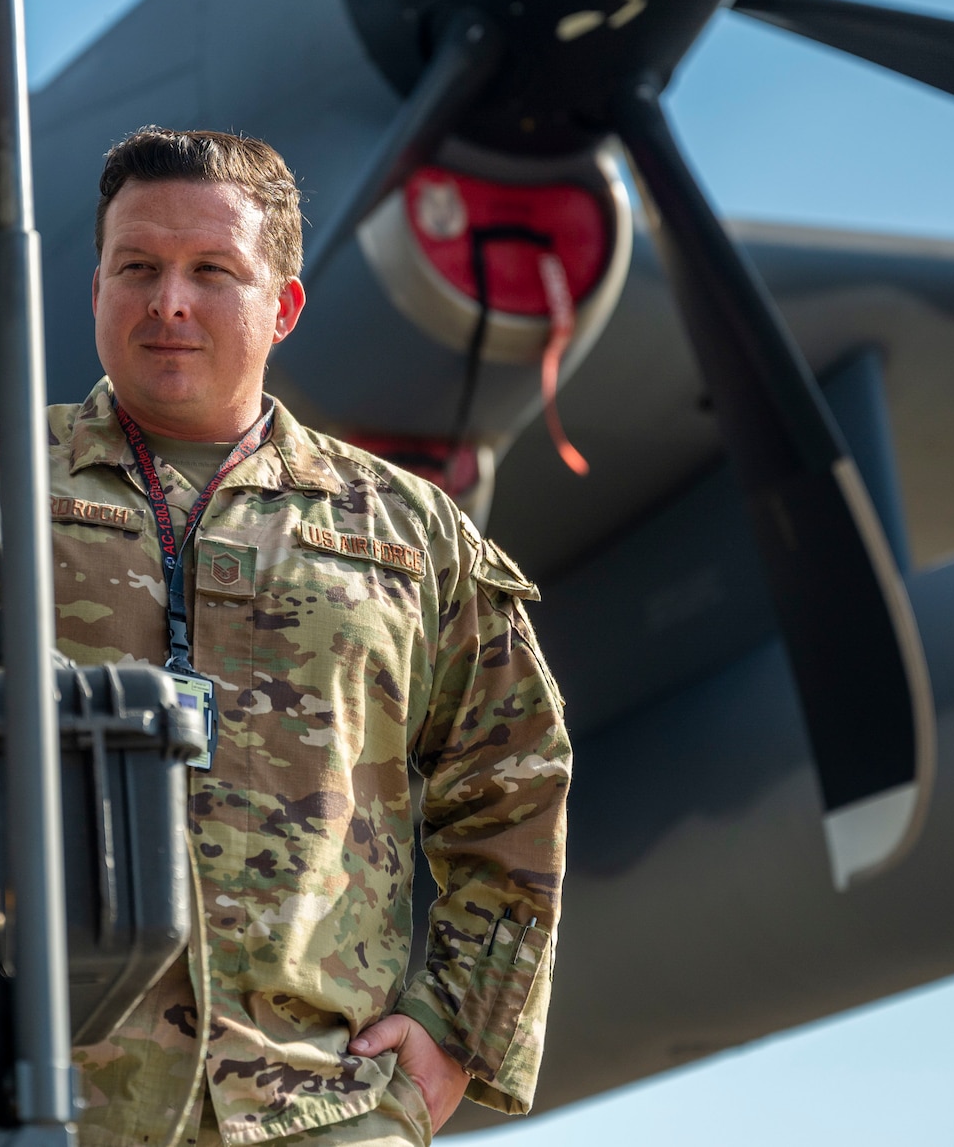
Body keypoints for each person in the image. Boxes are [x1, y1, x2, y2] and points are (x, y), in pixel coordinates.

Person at [44, 127, 570, 1147]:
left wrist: (452, 1030)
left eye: (212, 271)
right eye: (136, 268)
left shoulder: (404, 531)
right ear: (95, 285)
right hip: (37, 1103)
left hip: (314, 1106)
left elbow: (515, 775)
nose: (169, 303)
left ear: (281, 306)